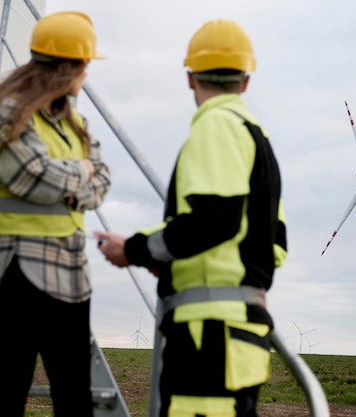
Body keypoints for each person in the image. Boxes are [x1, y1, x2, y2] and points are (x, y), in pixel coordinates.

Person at [95, 18, 288, 417]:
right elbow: (274, 245)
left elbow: (212, 222)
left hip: (206, 337)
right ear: (246, 81)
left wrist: (133, 250)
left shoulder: (215, 126)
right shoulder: (259, 141)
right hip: (241, 336)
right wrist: (165, 257)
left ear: (190, 78)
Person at [0, 10, 111, 417]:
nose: (86, 75)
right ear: (68, 67)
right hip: (17, 267)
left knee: (74, 398)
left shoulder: (75, 123)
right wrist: (80, 174)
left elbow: (102, 184)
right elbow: (33, 176)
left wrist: (74, 179)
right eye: (84, 66)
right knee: (7, 393)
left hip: (70, 271)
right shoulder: (4, 111)